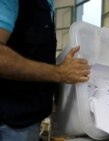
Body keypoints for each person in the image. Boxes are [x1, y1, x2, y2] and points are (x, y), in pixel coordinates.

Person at [0, 0, 90, 140]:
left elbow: (32, 53)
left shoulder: (46, 5)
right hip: (11, 122)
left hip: (29, 118)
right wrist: (58, 72)